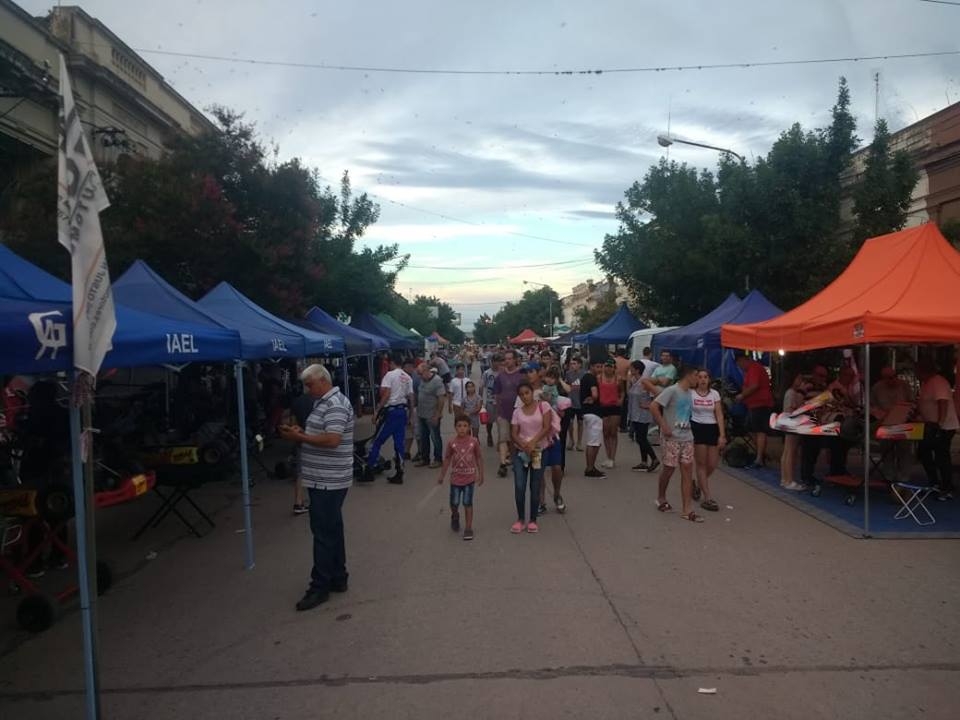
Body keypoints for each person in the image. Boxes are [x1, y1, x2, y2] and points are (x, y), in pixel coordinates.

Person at [278, 364, 354, 612]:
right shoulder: (324, 402)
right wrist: (303, 432)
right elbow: (324, 433)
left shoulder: (334, 404)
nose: (307, 389)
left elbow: (332, 440)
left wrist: (300, 438)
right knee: (332, 527)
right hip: (324, 476)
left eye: (310, 384)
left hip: (328, 478)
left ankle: (319, 585)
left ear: (323, 381)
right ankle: (337, 576)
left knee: (322, 532)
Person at [650, 365, 702, 522]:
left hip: (687, 437)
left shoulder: (691, 393)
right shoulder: (672, 390)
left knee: (687, 470)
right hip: (671, 437)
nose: (698, 380)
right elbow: (654, 406)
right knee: (669, 469)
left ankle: (687, 509)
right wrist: (663, 425)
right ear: (689, 375)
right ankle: (661, 497)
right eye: (697, 376)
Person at [510, 382, 553, 534]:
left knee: (535, 486)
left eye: (527, 393)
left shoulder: (544, 406)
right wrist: (523, 445)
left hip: (538, 451)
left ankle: (533, 520)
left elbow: (546, 427)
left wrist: (533, 442)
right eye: (521, 394)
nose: (524, 396)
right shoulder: (517, 412)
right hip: (521, 452)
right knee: (520, 486)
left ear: (532, 392)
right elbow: (514, 433)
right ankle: (521, 519)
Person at [363, 352, 412, 484]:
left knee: (376, 441)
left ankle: (369, 470)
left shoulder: (389, 375)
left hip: (391, 412)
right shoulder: (408, 377)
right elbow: (411, 398)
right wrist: (410, 415)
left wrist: (377, 411)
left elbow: (386, 394)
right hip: (402, 412)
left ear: (391, 363)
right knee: (399, 444)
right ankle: (399, 473)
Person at [916, 359, 959, 499]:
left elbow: (943, 402)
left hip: (942, 426)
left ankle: (946, 486)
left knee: (941, 456)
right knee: (925, 452)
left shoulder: (938, 382)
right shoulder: (927, 383)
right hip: (931, 424)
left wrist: (940, 422)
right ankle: (935, 482)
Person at [437, 415, 484, 540]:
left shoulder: (474, 442)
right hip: (455, 479)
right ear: (455, 428)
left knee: (467, 503)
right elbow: (447, 458)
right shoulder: (452, 443)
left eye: (465, 426)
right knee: (454, 502)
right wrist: (442, 475)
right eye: (459, 426)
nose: (462, 429)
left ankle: (468, 528)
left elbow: (479, 457)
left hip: (469, 479)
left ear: (469, 427)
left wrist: (481, 474)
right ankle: (455, 515)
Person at [690, 369, 726, 511]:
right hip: (697, 428)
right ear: (696, 379)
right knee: (701, 464)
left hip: (712, 429)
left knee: (712, 463)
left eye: (706, 377)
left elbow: (719, 415)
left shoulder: (714, 394)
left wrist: (722, 435)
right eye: (700, 377)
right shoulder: (691, 394)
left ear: (709, 379)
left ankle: (698, 485)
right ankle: (708, 497)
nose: (703, 380)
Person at [734, 351, 774, 468]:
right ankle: (759, 454)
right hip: (753, 405)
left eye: (739, 364)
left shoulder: (755, 368)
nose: (740, 367)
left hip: (761, 404)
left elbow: (754, 385)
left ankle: (759, 459)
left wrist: (742, 395)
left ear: (744, 360)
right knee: (752, 429)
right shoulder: (750, 370)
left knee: (760, 431)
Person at [493, 349, 524, 477]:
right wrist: (497, 411)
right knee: (503, 438)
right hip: (503, 413)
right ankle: (502, 464)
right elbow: (496, 394)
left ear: (516, 359)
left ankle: (513, 459)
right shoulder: (500, 376)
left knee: (514, 439)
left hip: (518, 413)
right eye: (505, 359)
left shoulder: (522, 375)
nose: (507, 361)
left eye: (510, 358)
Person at [290, 389, 318, 514]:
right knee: (318, 471)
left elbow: (292, 424)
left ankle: (298, 502)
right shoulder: (318, 401)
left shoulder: (296, 402)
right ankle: (318, 501)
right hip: (316, 440)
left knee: (300, 473)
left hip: (300, 440)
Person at [627, 360, 658, 472]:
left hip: (643, 414)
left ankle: (654, 458)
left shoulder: (644, 381)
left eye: (632, 368)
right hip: (634, 413)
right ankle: (644, 461)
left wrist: (649, 404)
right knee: (640, 438)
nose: (630, 370)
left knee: (641, 438)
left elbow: (658, 393)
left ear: (637, 370)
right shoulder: (633, 381)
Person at [780, 373, 808, 490]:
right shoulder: (792, 393)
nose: (801, 381)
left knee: (787, 451)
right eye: (799, 378)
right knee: (790, 451)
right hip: (791, 422)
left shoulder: (790, 392)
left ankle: (785, 479)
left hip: (787, 421)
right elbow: (791, 409)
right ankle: (789, 480)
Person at [414, 365, 446, 469]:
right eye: (418, 374)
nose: (419, 376)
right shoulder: (422, 380)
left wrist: (437, 414)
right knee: (424, 438)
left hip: (432, 415)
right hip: (421, 414)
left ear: (427, 370)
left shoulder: (437, 381)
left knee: (435, 437)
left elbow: (441, 399)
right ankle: (425, 458)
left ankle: (438, 459)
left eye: (421, 373)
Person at [580, 358, 606, 478]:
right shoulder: (591, 378)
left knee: (593, 441)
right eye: (597, 366)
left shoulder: (585, 377)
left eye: (601, 366)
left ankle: (590, 466)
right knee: (594, 442)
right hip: (593, 413)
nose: (600, 369)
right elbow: (594, 393)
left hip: (587, 413)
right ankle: (590, 468)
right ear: (591, 366)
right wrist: (593, 398)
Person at [598, 358, 624, 468]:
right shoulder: (599, 378)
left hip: (614, 407)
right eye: (606, 366)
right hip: (603, 407)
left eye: (610, 367)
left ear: (614, 368)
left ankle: (612, 458)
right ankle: (608, 457)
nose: (608, 369)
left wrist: (621, 400)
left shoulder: (618, 379)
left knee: (613, 433)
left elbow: (622, 392)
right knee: (605, 432)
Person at [565, 356, 585, 451]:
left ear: (580, 365)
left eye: (575, 363)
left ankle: (579, 442)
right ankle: (571, 440)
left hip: (581, 402)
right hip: (570, 401)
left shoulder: (584, 374)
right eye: (572, 364)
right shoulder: (568, 374)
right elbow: (566, 385)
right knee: (570, 422)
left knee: (580, 422)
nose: (573, 366)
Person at [481, 353, 501, 447]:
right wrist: (481, 400)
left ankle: (501, 440)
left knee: (501, 422)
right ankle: (489, 435)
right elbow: (482, 386)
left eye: (498, 361)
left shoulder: (502, 372)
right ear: (491, 362)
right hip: (489, 400)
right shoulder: (487, 373)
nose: (496, 363)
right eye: (494, 361)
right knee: (489, 421)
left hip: (500, 401)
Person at [402, 358, 420, 460]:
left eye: (410, 367)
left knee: (417, 431)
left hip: (415, 407)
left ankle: (420, 451)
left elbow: (418, 393)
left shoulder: (416, 378)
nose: (408, 369)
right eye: (406, 367)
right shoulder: (402, 377)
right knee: (408, 431)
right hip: (406, 407)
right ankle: (406, 451)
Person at [614, 349, 631, 432]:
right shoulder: (628, 362)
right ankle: (623, 426)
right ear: (624, 354)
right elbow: (629, 376)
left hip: (614, 381)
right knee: (624, 405)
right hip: (624, 381)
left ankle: (614, 424)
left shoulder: (613, 361)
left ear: (617, 353)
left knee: (613, 402)